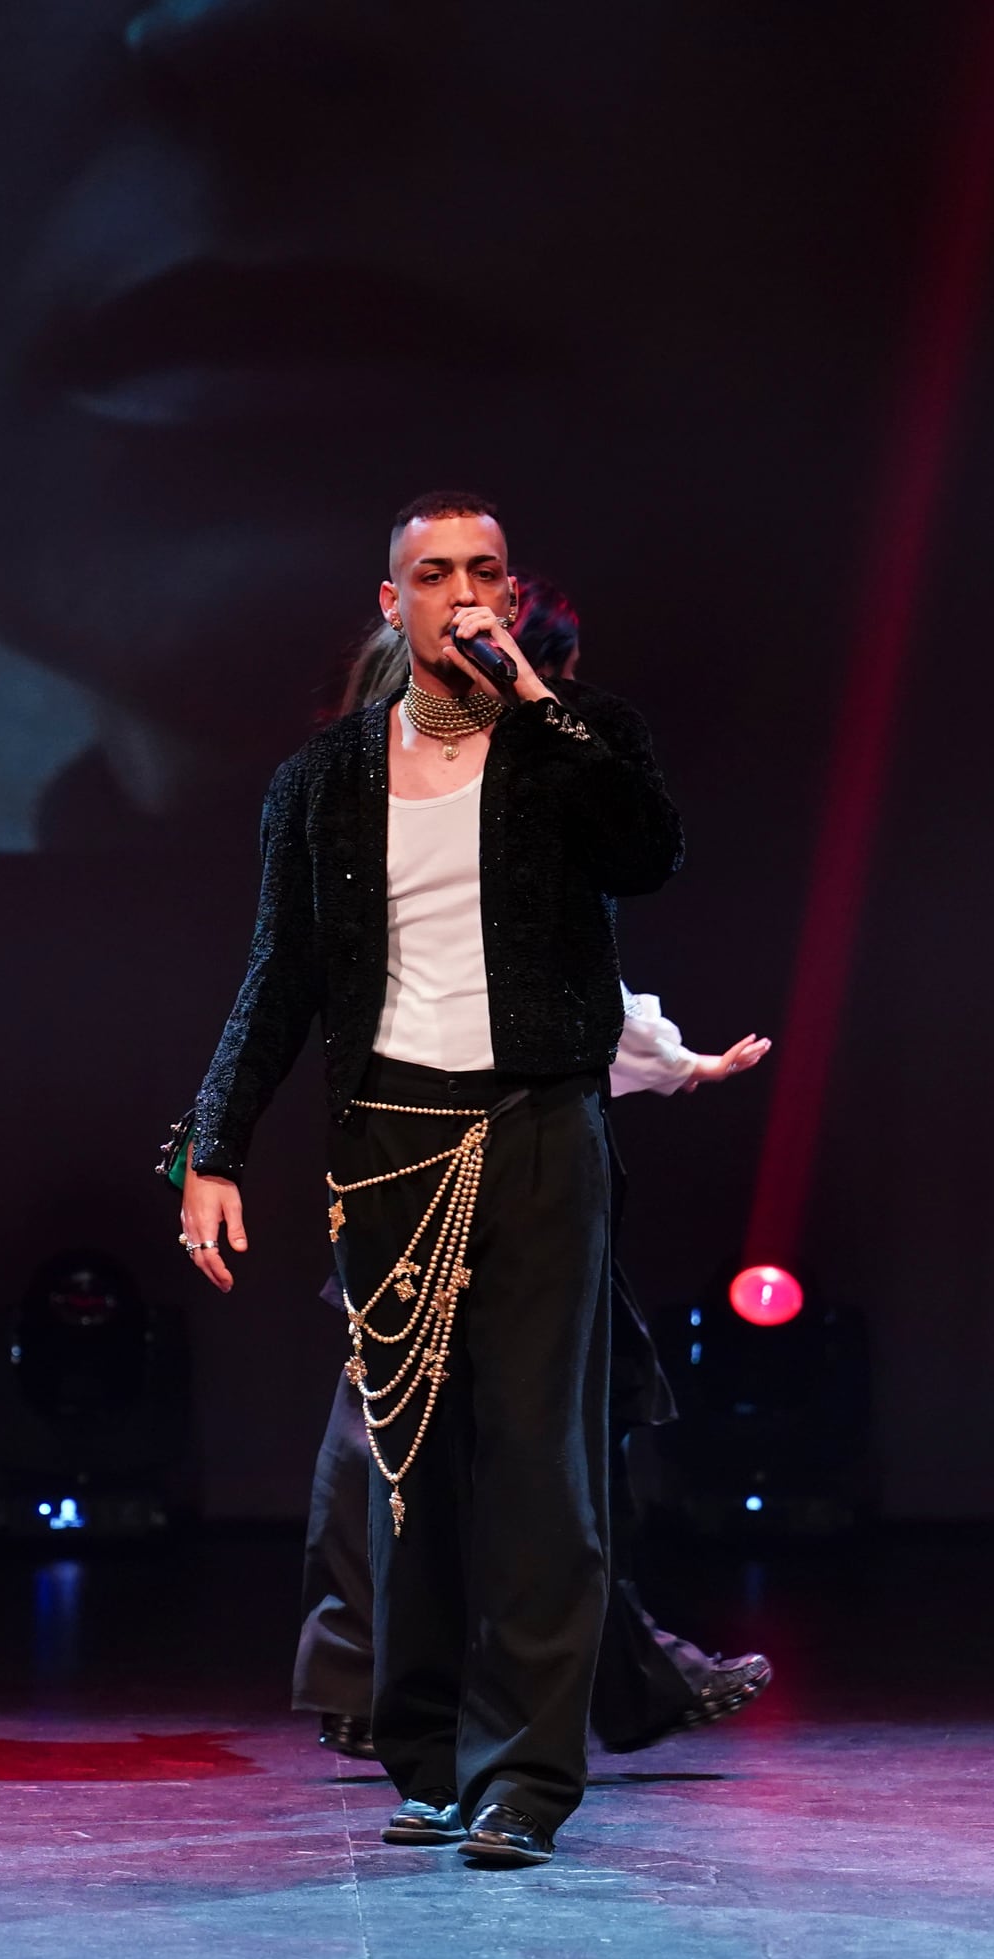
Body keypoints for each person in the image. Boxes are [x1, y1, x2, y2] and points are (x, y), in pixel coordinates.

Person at [174, 493, 681, 1868]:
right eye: (431, 573)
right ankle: (429, 1751)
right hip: (392, 1141)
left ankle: (526, 1775)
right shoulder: (327, 778)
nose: (460, 593)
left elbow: (648, 849)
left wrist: (534, 709)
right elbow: (282, 972)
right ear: (388, 601)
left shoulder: (575, 747)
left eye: (484, 573)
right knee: (411, 1472)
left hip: (538, 1132)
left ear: (511, 599)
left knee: (541, 1469)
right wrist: (214, 1146)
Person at [291, 584, 772, 1762]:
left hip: (438, 1142)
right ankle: (488, 1683)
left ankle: (417, 1677)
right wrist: (667, 1059)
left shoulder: (382, 787)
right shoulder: (421, 795)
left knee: (428, 1427)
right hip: (478, 1144)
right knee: (507, 1434)